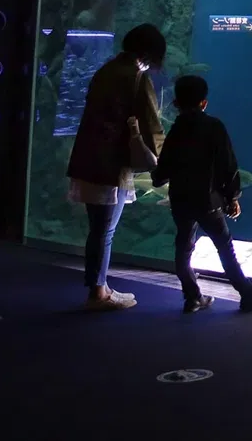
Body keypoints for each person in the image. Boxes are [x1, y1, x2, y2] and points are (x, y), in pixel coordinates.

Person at [153, 75, 252, 313]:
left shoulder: (175, 131)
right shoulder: (214, 127)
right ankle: (247, 293)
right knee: (224, 246)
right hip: (207, 200)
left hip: (180, 200)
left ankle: (192, 297)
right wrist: (232, 197)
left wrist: (160, 177)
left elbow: (161, 172)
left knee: (183, 246)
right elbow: (228, 166)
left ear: (176, 103)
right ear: (204, 102)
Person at [66, 22, 166, 310]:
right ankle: (97, 293)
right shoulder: (135, 77)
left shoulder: (106, 71)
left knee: (98, 227)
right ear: (150, 51)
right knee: (104, 230)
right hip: (110, 163)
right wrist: (164, 162)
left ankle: (101, 287)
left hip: (87, 156)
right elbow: (151, 125)